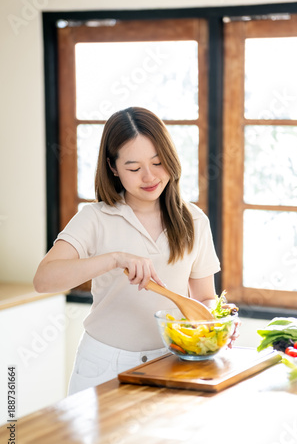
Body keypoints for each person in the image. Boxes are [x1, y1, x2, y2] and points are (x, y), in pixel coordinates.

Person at [34, 106, 238, 394]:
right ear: (113, 167)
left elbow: (204, 297)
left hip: (170, 361)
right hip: (104, 365)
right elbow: (44, 280)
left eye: (157, 162)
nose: (149, 177)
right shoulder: (95, 218)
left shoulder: (194, 221)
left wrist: (215, 324)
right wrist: (115, 259)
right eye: (133, 168)